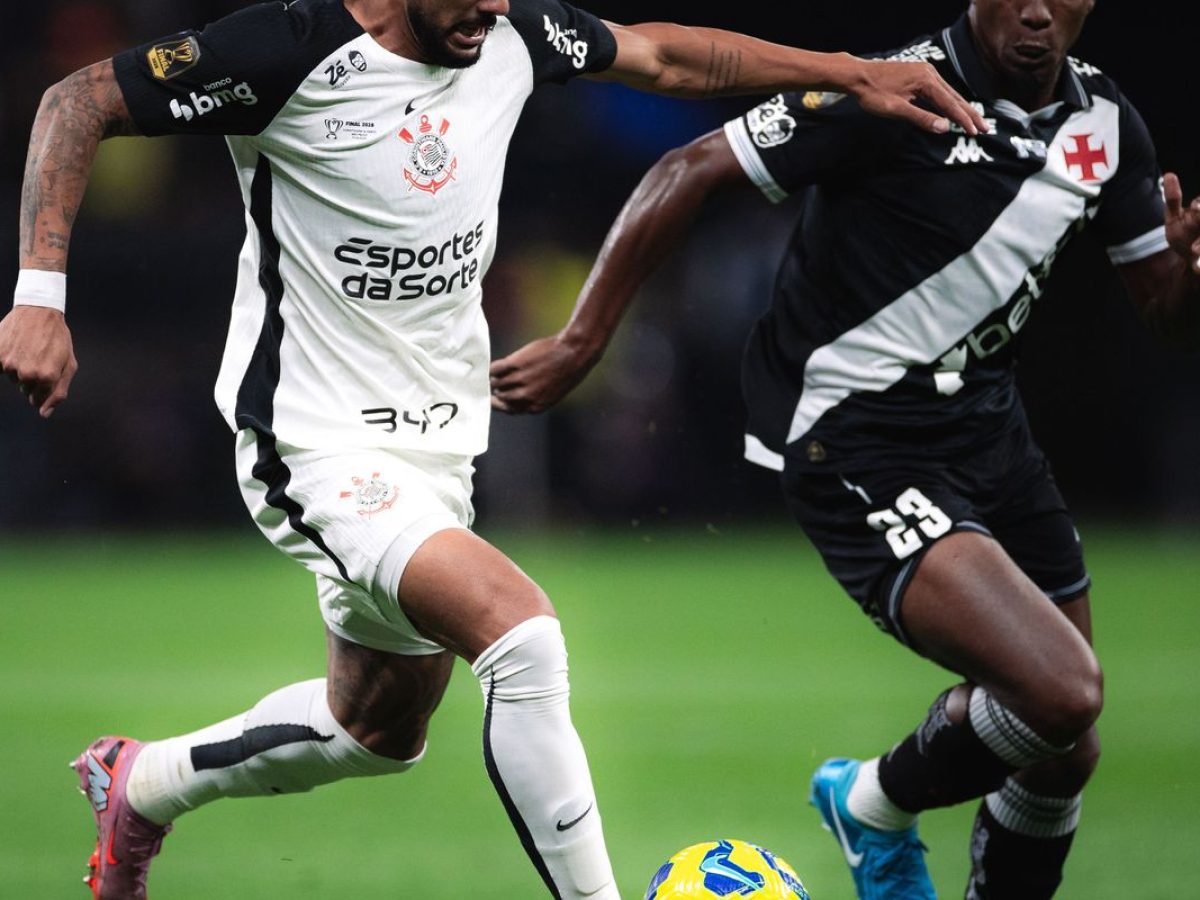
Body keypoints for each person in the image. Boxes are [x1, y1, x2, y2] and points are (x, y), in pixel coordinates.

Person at [0, 0, 992, 897]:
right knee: (523, 635)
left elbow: (667, 57)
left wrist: (850, 71)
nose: (494, 6)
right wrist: (40, 297)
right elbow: (79, 100)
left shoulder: (511, 31)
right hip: (312, 442)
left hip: (436, 451)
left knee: (376, 731)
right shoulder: (283, 53)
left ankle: (140, 784)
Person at [488, 0, 1200, 897]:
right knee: (1060, 695)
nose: (1033, 10)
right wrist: (584, 340)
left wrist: (1189, 277)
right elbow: (692, 164)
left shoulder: (1107, 121)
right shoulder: (891, 91)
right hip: (855, 436)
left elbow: (1163, 311)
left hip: (991, 435)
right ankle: (869, 804)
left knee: (1064, 749)